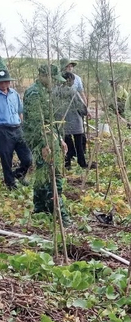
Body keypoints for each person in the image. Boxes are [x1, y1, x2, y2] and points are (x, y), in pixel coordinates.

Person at [23, 65, 70, 223]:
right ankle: (61, 215)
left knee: (43, 174)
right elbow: (38, 123)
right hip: (41, 140)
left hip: (50, 138)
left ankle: (39, 208)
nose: (55, 83)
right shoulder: (34, 93)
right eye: (53, 79)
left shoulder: (46, 92)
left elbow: (51, 121)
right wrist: (44, 144)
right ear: (43, 76)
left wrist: (60, 139)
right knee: (52, 175)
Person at [0, 68, 32, 190]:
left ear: (9, 82)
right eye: (1, 82)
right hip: (3, 130)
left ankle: (19, 174)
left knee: (27, 158)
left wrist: (21, 124)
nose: (3, 85)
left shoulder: (14, 94)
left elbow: (20, 111)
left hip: (18, 128)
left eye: (5, 82)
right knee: (6, 157)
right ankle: (10, 183)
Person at [60, 72, 89, 170]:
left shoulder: (56, 92)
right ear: (68, 80)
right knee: (79, 144)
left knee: (66, 145)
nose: (73, 82)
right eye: (72, 80)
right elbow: (80, 106)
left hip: (62, 123)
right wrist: (85, 112)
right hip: (76, 122)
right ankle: (82, 163)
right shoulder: (73, 92)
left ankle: (67, 164)